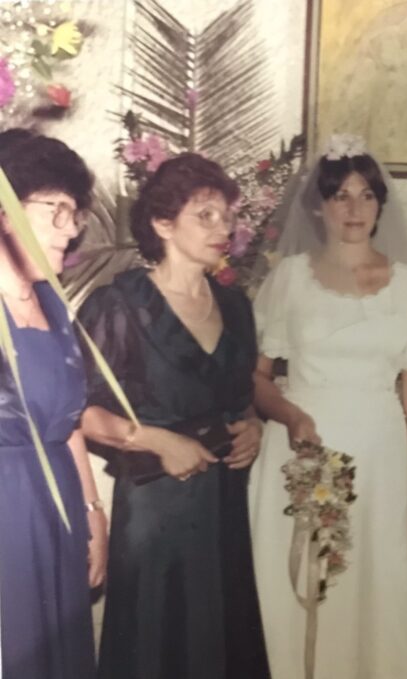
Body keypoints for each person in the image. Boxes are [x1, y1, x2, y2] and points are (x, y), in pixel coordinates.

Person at [247, 133, 407, 679]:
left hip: (380, 464)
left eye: (366, 195)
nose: (355, 208)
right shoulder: (289, 278)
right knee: (299, 597)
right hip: (298, 456)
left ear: (381, 204)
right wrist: (291, 416)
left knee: (378, 598)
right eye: (341, 196)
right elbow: (257, 378)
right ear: (319, 206)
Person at [77, 153, 270, 679]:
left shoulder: (236, 306)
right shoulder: (119, 305)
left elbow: (241, 399)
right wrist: (158, 440)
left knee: (220, 646)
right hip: (156, 510)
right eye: (204, 215)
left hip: (223, 504)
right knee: (155, 647)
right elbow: (80, 414)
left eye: (227, 216)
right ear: (163, 224)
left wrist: (252, 428)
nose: (223, 228)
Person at [0, 128, 106, 679]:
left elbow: (68, 425)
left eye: (75, 213)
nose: (71, 229)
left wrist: (92, 512)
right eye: (55, 211)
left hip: (59, 509)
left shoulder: (53, 304)